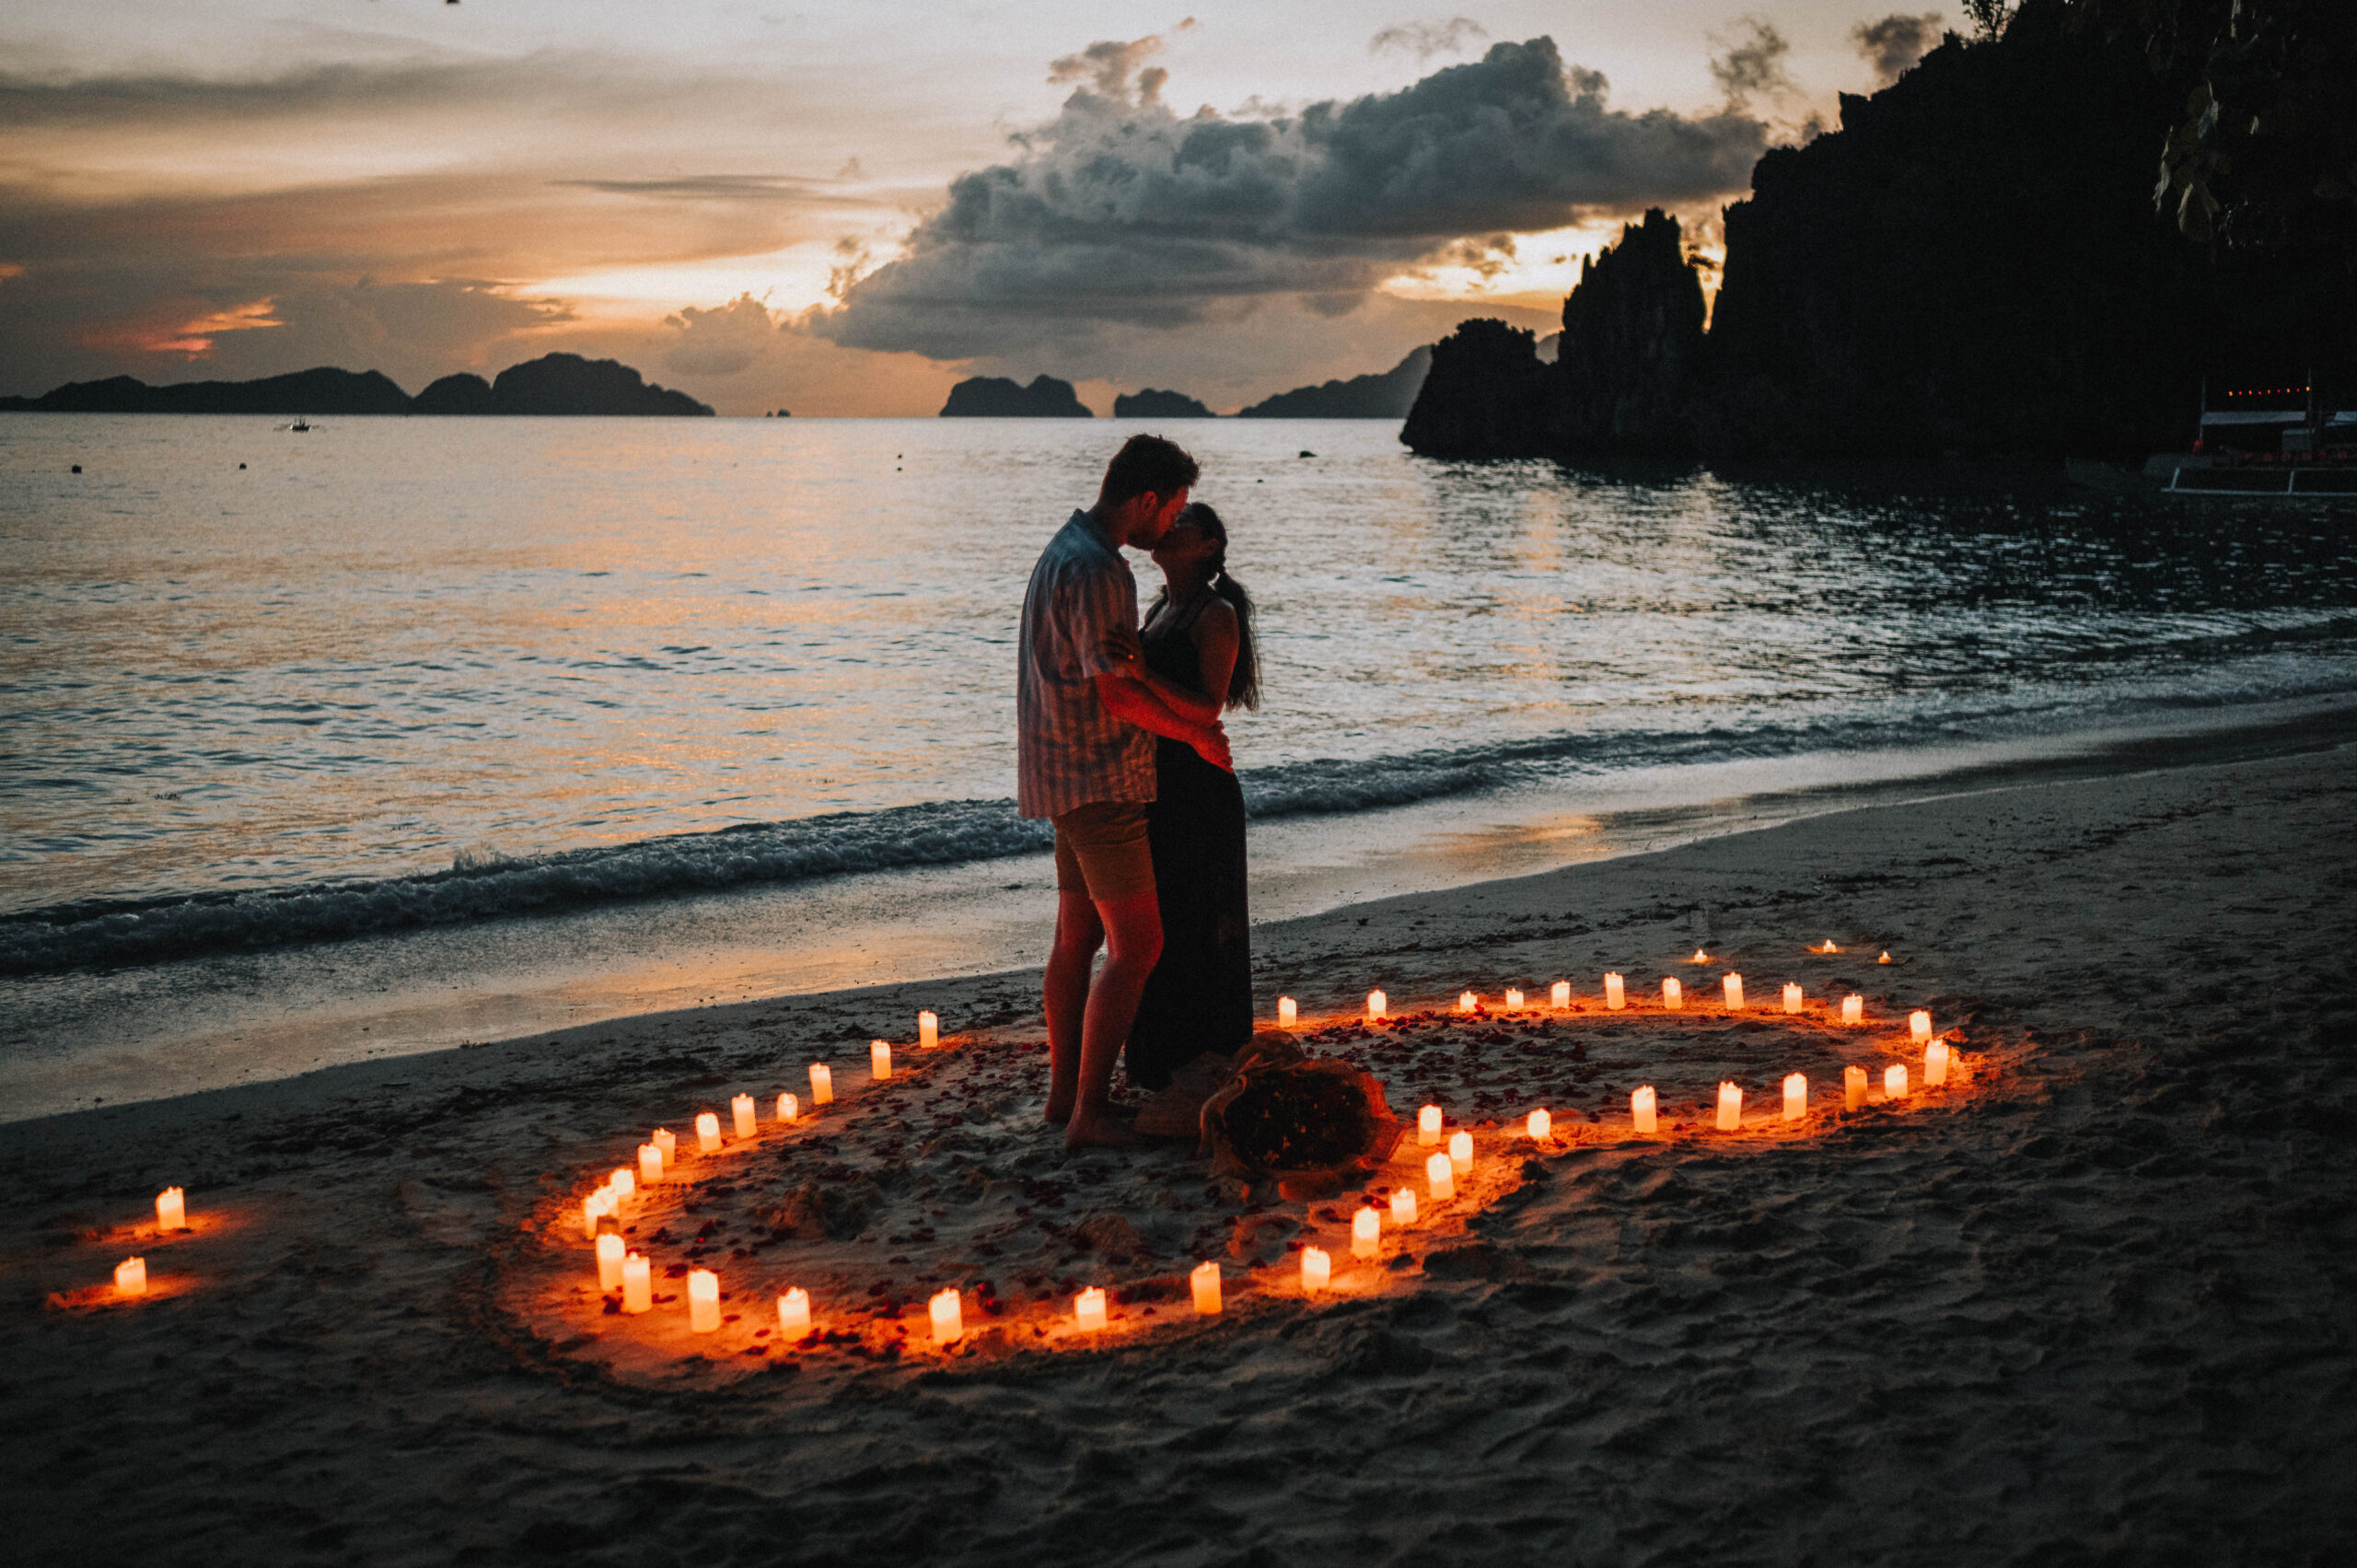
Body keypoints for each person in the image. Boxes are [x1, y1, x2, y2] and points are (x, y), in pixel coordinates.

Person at [1017, 435, 1232, 1150]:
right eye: (1170, 508)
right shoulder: (1104, 571)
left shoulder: (1063, 549)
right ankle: (1088, 1111)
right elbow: (1116, 693)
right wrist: (1194, 735)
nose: (1170, 522)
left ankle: (1062, 1098)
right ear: (1145, 499)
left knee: (1075, 939)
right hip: (1101, 777)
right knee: (1138, 945)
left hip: (1057, 770)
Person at [1107, 502, 1260, 1092]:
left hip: (1199, 787)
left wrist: (1142, 673)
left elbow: (1207, 707)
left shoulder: (1216, 614)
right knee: (1163, 920)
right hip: (1158, 781)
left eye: (1182, 523)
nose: (1167, 528)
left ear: (1208, 546)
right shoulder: (1160, 608)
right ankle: (1160, 1059)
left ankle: (1207, 1052)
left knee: (1198, 922)